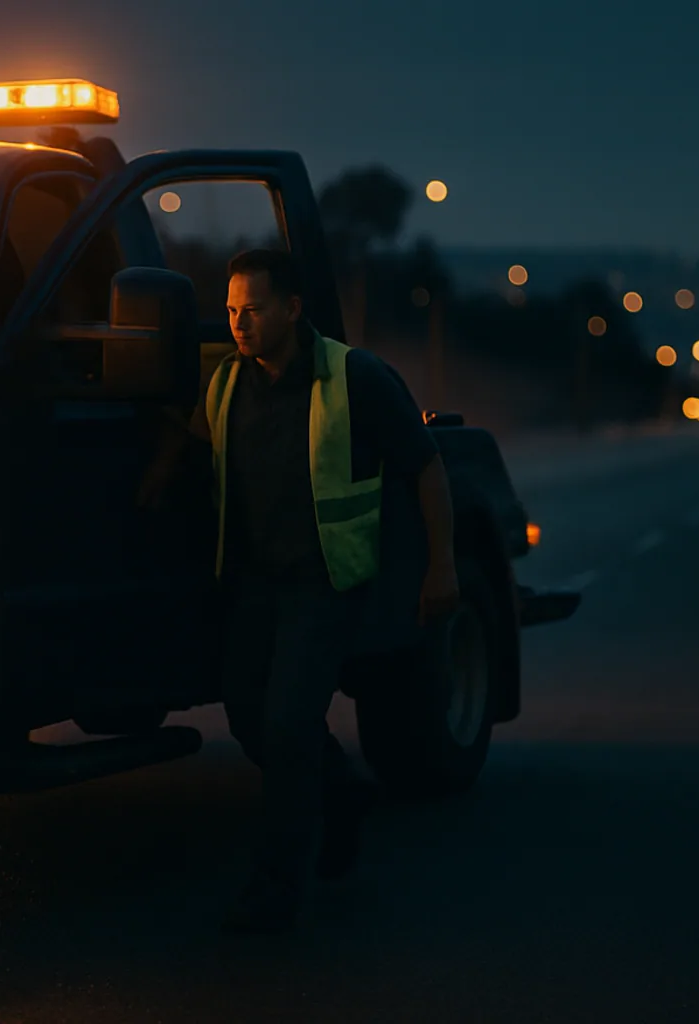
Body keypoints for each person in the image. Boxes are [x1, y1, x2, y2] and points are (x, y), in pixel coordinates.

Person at [138, 248, 460, 934]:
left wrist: (443, 568)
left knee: (287, 726)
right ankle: (341, 791)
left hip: (323, 583)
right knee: (249, 716)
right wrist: (159, 477)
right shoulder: (227, 381)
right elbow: (193, 439)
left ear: (292, 309)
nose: (238, 323)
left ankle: (276, 888)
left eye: (253, 310)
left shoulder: (354, 376)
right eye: (231, 310)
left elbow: (426, 468)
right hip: (253, 583)